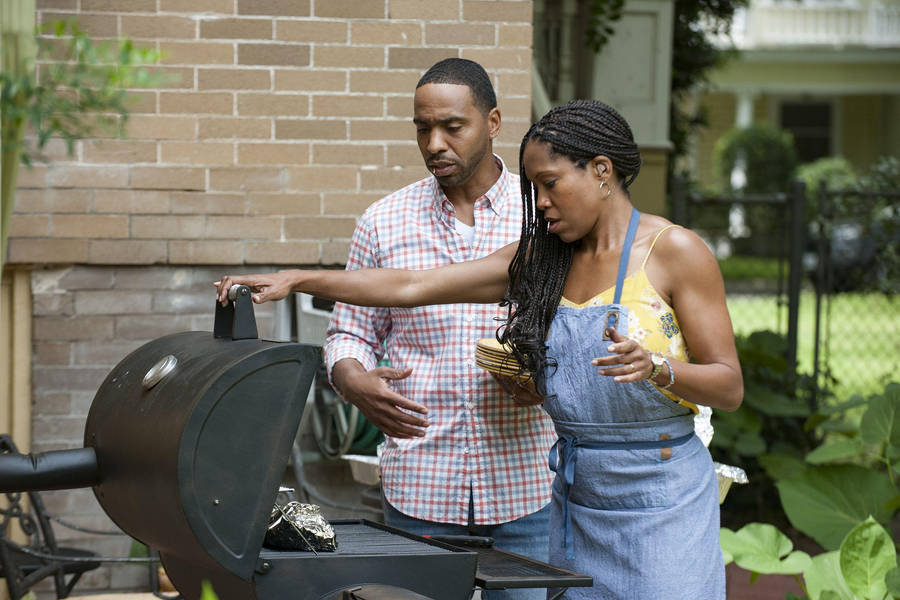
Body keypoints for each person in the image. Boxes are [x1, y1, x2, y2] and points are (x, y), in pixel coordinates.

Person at [216, 99, 743, 599]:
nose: (539, 202)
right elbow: (412, 287)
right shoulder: (544, 258)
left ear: (601, 171)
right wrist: (298, 279)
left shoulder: (675, 251)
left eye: (551, 183)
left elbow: (729, 384)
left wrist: (658, 367)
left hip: (662, 494)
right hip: (578, 497)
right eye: (534, 186)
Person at [326, 58, 556, 600]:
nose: (435, 143)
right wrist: (351, 378)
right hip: (421, 485)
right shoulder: (382, 221)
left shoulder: (544, 215)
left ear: (493, 122)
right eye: (422, 128)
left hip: (528, 488)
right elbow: (348, 333)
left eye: (452, 127)